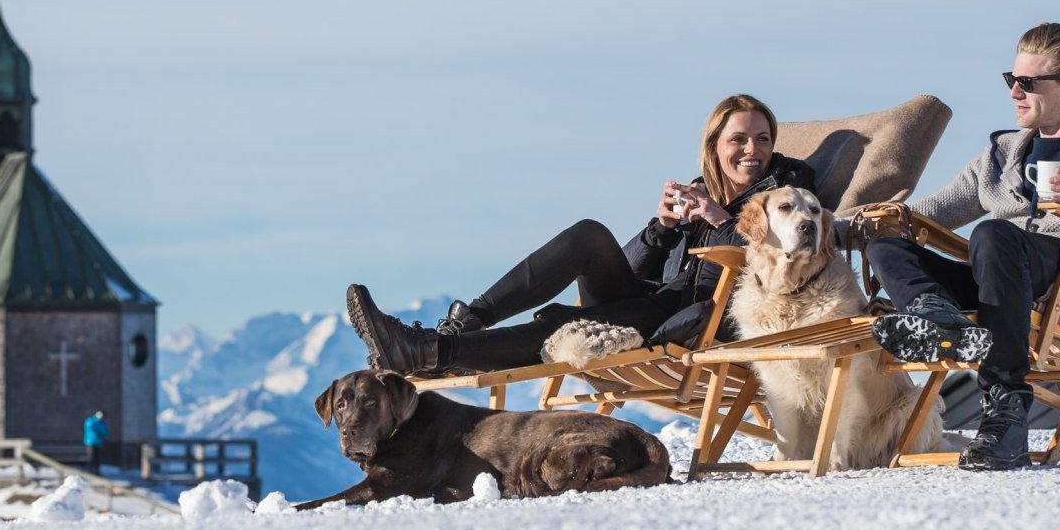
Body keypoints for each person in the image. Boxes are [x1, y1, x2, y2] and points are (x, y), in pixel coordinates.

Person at [860, 22, 1060, 471]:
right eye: (1011, 80)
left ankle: (1006, 410)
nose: (1015, 92)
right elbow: (930, 212)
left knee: (992, 233)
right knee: (886, 240)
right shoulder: (1001, 153)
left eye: (1028, 83)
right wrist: (835, 224)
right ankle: (936, 315)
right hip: (999, 282)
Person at [345, 94, 815, 376]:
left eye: (762, 139)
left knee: (568, 329)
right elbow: (631, 269)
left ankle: (430, 350)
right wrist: (661, 229)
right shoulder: (700, 193)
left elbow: (785, 260)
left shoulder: (789, 192)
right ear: (715, 145)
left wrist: (718, 221)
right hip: (656, 299)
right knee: (590, 235)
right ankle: (468, 321)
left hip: (702, 317)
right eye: (739, 139)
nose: (752, 149)